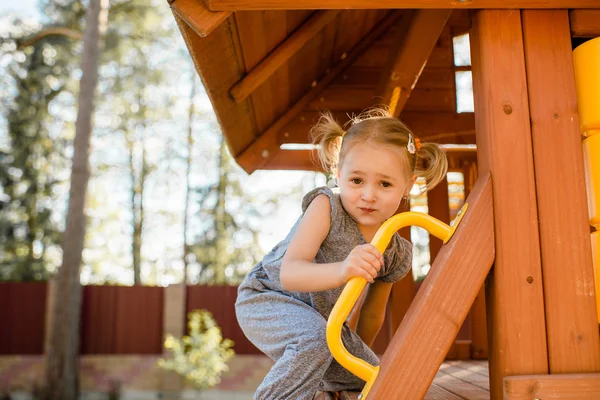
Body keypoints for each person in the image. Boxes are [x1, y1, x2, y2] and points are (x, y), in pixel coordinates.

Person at [235, 108, 448, 400]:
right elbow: (290, 273)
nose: (368, 195)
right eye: (356, 181)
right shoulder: (327, 207)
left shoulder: (395, 251)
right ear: (338, 175)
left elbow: (373, 313)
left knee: (372, 377)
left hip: (326, 326)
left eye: (385, 184)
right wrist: (343, 269)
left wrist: (356, 358)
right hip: (268, 298)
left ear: (408, 185)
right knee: (314, 339)